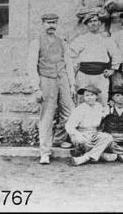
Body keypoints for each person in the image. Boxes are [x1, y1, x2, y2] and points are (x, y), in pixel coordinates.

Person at [27, 13, 75, 164]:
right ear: (43, 24)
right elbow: (31, 66)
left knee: (70, 113)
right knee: (47, 116)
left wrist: (72, 84)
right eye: (48, 23)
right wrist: (36, 88)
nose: (51, 25)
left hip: (62, 79)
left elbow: (68, 63)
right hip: (46, 79)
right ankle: (45, 152)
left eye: (54, 22)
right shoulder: (36, 42)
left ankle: (58, 138)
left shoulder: (62, 42)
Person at [68, 13, 121, 105]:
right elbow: (70, 55)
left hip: (101, 76)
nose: (93, 23)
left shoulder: (106, 39)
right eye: (90, 22)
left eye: (95, 21)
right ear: (86, 24)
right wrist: (75, 68)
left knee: (102, 100)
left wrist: (113, 69)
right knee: (82, 101)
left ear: (99, 23)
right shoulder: (81, 39)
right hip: (83, 75)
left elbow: (116, 54)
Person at [65, 85, 116, 166]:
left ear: (96, 96)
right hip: (81, 134)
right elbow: (69, 126)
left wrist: (111, 107)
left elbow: (104, 114)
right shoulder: (80, 109)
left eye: (92, 95)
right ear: (84, 97)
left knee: (108, 137)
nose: (90, 97)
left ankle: (84, 158)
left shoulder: (98, 106)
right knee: (85, 143)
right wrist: (78, 135)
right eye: (87, 95)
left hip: (93, 134)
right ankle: (101, 155)